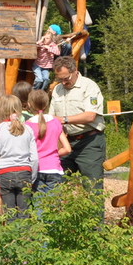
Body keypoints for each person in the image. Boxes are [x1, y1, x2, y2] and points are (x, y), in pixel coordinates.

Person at [47, 55, 106, 199]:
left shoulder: (89, 86)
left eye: (66, 78)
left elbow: (90, 116)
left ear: (75, 71)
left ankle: (96, 221)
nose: (63, 82)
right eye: (59, 79)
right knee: (54, 184)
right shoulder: (57, 90)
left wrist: (63, 120)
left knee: (93, 189)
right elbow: (51, 117)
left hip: (89, 142)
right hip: (66, 143)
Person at [0, 94, 38, 221]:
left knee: (10, 216)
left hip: (5, 174)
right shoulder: (28, 129)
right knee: (24, 215)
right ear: (19, 109)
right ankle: (25, 239)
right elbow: (35, 159)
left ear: (3, 109)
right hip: (24, 173)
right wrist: (32, 180)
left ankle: (12, 240)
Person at [27, 89, 71, 197]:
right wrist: (52, 154)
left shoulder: (27, 125)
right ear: (47, 104)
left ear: (29, 105)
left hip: (36, 169)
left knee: (39, 205)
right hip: (54, 168)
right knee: (54, 205)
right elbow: (67, 149)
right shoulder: (55, 121)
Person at [33, 26, 61, 91]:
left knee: (46, 79)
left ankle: (42, 90)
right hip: (38, 65)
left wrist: (49, 48)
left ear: (51, 40)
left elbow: (58, 52)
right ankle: (34, 90)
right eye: (44, 38)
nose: (45, 39)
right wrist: (41, 40)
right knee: (39, 79)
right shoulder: (41, 44)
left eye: (47, 38)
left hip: (46, 67)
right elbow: (34, 46)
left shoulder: (53, 45)